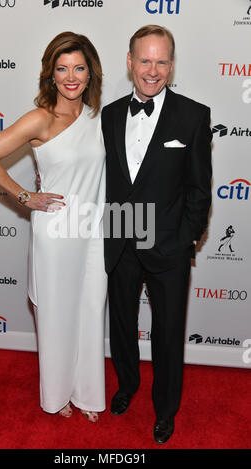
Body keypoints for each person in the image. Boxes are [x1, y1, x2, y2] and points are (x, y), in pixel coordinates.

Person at [0, 32, 107, 423]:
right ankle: (57, 395)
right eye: (61, 68)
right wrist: (24, 196)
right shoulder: (40, 118)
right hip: (56, 232)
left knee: (89, 312)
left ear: (90, 73)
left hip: (94, 230)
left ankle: (87, 393)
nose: (71, 77)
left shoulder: (100, 116)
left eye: (79, 68)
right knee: (56, 316)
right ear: (50, 74)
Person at [101, 25, 212, 443]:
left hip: (167, 245)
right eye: (144, 60)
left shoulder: (193, 115)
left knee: (167, 334)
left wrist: (185, 238)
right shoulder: (110, 115)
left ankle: (166, 409)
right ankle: (127, 386)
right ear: (129, 62)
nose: (152, 70)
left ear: (171, 64)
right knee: (122, 326)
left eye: (161, 61)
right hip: (120, 240)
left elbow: (200, 189)